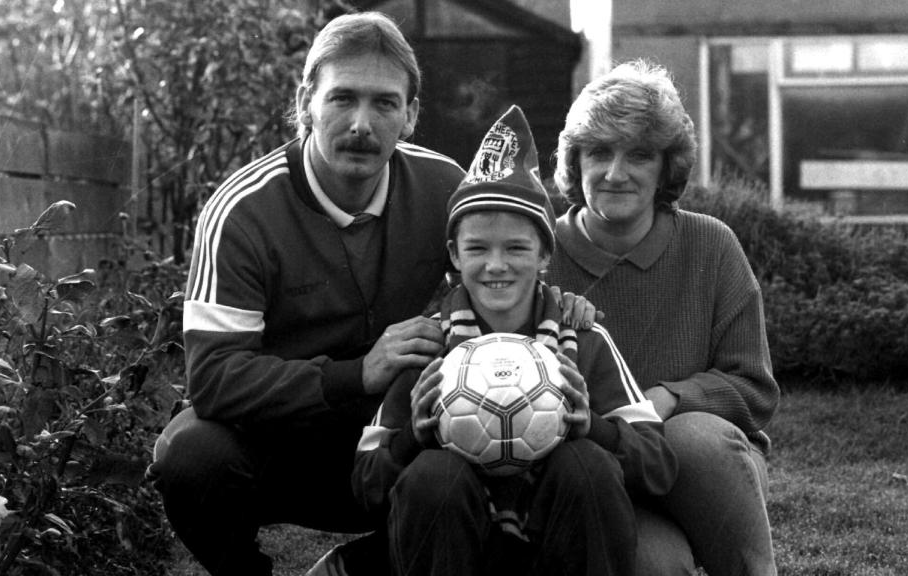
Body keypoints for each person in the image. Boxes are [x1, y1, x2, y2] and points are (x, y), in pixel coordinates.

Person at [147, 13, 595, 576]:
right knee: (190, 455)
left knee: (504, 425)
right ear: (306, 100)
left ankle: (372, 563)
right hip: (284, 443)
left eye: (384, 104)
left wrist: (559, 306)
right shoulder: (241, 211)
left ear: (409, 115)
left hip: (409, 436)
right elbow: (213, 380)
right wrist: (356, 373)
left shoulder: (442, 189)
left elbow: (499, 278)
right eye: (342, 99)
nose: (361, 123)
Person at [351, 106, 678, 576]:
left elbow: (659, 468)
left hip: (555, 546)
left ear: (545, 252)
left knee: (585, 464)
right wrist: (411, 441)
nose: (496, 265)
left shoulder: (583, 341)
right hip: (458, 549)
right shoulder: (427, 347)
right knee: (433, 476)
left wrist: (597, 430)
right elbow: (365, 484)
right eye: (477, 248)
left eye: (517, 248)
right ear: (453, 255)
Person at [544, 59, 781, 576]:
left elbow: (755, 392)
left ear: (666, 166)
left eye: (640, 155)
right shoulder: (535, 252)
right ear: (575, 160)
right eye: (600, 152)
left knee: (691, 435)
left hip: (703, 467)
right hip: (597, 470)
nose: (616, 173)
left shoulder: (711, 245)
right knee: (655, 563)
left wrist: (670, 398)